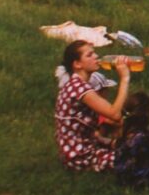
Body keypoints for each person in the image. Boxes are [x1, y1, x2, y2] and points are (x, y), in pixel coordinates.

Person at [54, 40, 131, 171]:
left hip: (76, 150)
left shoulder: (76, 84)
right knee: (134, 159)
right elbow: (115, 114)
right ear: (77, 64)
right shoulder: (80, 88)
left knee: (132, 147)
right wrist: (124, 79)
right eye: (89, 55)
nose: (96, 56)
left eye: (94, 53)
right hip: (81, 156)